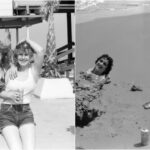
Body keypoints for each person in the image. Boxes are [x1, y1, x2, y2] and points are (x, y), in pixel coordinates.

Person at [0, 38, 45, 150]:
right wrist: (8, 95)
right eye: (20, 54)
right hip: (7, 113)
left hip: (25, 113)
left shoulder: (33, 71)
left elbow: (40, 51)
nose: (23, 57)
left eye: (26, 54)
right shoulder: (9, 70)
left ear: (30, 57)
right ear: (16, 56)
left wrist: (27, 40)